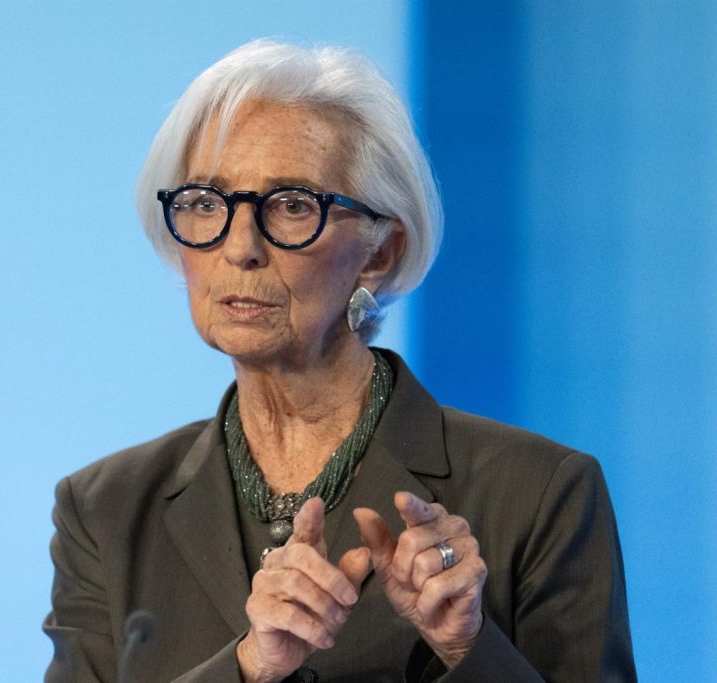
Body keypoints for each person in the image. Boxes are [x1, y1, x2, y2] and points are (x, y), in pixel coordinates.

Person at [43, 39, 636, 683]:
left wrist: (467, 647)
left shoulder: (539, 493)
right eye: (206, 203)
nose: (240, 247)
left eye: (292, 205)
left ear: (379, 254)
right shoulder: (105, 509)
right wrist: (247, 667)